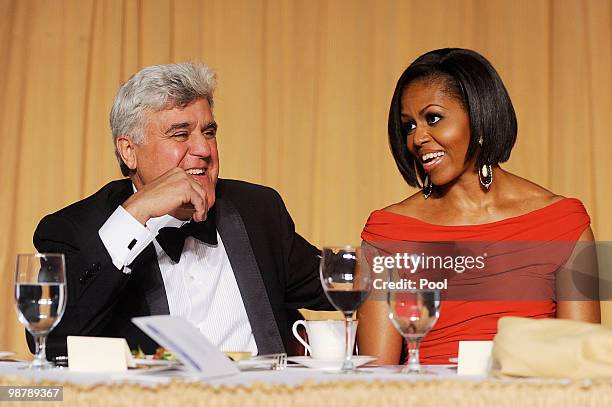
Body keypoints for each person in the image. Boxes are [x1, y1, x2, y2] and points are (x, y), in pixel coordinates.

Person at [30, 62, 329, 359]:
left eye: (208, 132)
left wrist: (376, 247)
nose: (203, 149)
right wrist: (137, 213)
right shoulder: (71, 230)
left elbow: (342, 283)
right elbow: (51, 343)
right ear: (129, 151)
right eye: (181, 134)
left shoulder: (257, 210)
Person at [357, 48, 600, 365]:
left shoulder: (564, 223)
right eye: (409, 126)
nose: (417, 138)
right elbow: (376, 376)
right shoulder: (389, 232)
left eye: (433, 118)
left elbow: (582, 366)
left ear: (480, 116)